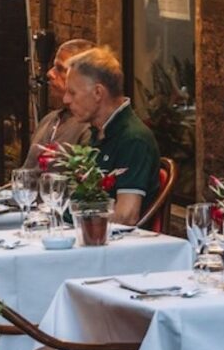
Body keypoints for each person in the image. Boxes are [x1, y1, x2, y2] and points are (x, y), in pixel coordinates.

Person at [63, 46, 160, 226]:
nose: (65, 100)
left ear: (98, 93)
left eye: (72, 92)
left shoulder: (133, 139)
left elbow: (126, 215)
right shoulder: (97, 133)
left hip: (109, 241)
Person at [21, 38, 96, 170]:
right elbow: (25, 174)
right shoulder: (48, 120)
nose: (50, 73)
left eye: (60, 69)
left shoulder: (91, 128)